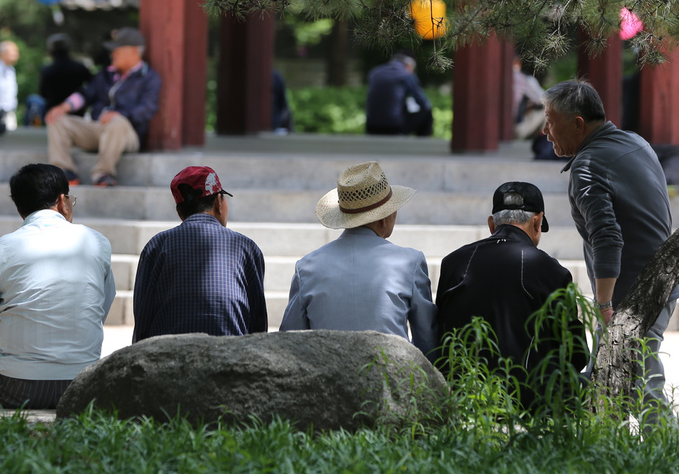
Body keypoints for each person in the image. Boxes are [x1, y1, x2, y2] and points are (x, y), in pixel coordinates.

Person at [542, 79, 679, 421]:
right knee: (607, 378)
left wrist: (604, 304)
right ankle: (602, 452)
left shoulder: (588, 166)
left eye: (551, 122)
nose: (546, 131)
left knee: (643, 383)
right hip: (660, 281)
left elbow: (607, 237)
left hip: (632, 295)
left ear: (577, 123)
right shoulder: (635, 142)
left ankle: (675, 457)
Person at [0, 163, 115, 409]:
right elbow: (100, 309)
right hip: (82, 385)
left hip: (16, 387)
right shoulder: (98, 242)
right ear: (62, 201)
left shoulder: (0, 250)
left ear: (21, 210)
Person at [436, 181, 589, 409]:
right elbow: (576, 355)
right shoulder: (552, 271)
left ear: (491, 224)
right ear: (537, 221)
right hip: (529, 400)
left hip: (463, 394)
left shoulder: (453, 263)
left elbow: (441, 331)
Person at [279, 161, 438, 356]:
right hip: (391, 377)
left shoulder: (307, 266)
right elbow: (428, 342)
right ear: (385, 217)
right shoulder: (409, 262)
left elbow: (289, 341)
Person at [132, 166, 267, 343]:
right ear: (219, 202)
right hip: (231, 357)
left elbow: (143, 316)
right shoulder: (246, 248)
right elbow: (258, 325)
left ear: (180, 213)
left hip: (167, 358)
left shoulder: (157, 246)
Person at [46, 27, 161, 187]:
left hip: (126, 134)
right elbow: (86, 93)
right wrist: (64, 107)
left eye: (117, 50)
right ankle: (64, 172)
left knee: (118, 123)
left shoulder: (149, 77)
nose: (112, 54)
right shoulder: (105, 74)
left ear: (133, 51)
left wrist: (120, 115)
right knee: (57, 119)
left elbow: (147, 108)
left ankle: (103, 173)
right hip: (97, 129)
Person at [365, 52, 433, 137]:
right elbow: (423, 103)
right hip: (394, 127)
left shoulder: (375, 72)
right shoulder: (406, 75)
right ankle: (423, 145)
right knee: (427, 112)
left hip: (371, 126)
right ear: (409, 65)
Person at [0, 40, 20, 132]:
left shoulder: (11, 70)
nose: (15, 54)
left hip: (9, 111)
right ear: (2, 54)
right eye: (12, 51)